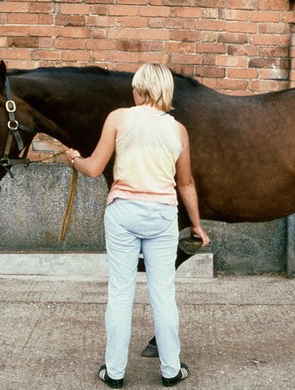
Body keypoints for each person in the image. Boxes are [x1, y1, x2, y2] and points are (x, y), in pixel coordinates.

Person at [65, 63, 210, 387]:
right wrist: (197, 225)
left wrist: (73, 158)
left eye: (134, 86)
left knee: (120, 293)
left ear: (140, 89)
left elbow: (92, 168)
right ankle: (171, 370)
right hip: (161, 215)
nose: (131, 90)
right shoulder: (178, 130)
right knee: (163, 293)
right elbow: (185, 184)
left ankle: (114, 373)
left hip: (124, 213)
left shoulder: (118, 118)